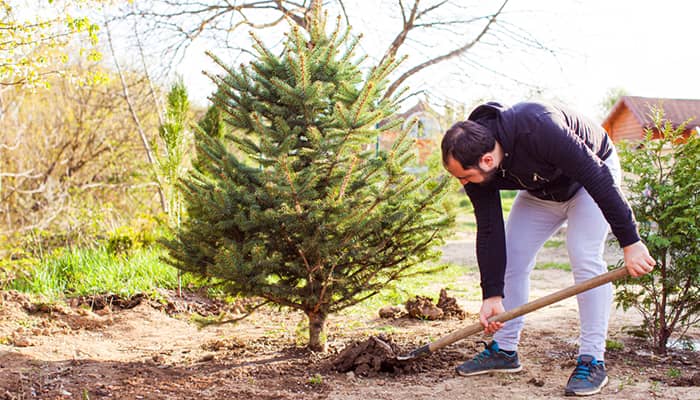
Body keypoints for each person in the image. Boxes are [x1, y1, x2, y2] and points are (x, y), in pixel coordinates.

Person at [441, 101, 656, 397]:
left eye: (465, 177)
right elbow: (489, 229)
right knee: (513, 259)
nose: (464, 184)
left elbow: (597, 177)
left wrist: (631, 242)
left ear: (488, 161)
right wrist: (492, 294)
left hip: (589, 180)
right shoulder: (473, 156)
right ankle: (504, 351)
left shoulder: (538, 125)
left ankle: (592, 359)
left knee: (583, 254)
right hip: (542, 191)